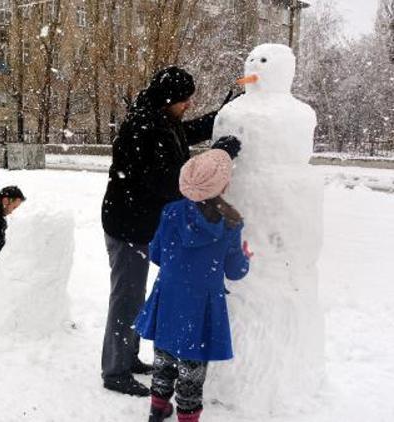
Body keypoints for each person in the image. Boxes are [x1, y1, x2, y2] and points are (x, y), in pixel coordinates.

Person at [100, 65, 242, 396]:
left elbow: (185, 133)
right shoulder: (144, 127)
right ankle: (115, 370)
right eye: (184, 100)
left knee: (134, 295)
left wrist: (220, 115)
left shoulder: (161, 119)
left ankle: (128, 357)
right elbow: (170, 181)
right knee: (127, 297)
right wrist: (219, 157)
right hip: (128, 226)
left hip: (139, 221)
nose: (188, 105)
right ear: (168, 100)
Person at [135, 149, 252, 422]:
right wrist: (244, 257)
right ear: (224, 185)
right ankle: (188, 416)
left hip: (169, 298)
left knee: (163, 357)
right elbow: (235, 272)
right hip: (202, 305)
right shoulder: (231, 222)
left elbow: (156, 255)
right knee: (192, 367)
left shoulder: (171, 213)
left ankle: (158, 409)